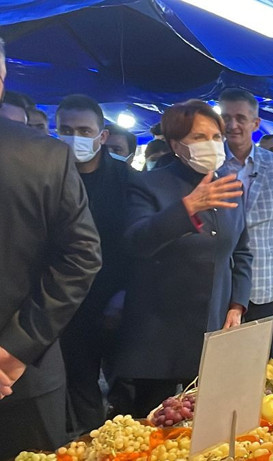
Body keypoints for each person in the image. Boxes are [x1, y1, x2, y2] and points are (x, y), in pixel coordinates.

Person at [114, 100, 252, 416]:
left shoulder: (229, 184)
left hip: (213, 323)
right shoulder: (148, 183)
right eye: (199, 138)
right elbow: (136, 242)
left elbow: (242, 250)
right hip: (160, 331)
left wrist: (237, 304)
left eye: (216, 137)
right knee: (155, 422)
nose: (212, 145)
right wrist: (187, 207)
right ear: (177, 144)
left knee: (205, 419)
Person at [0, 48, 102, 456]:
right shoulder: (43, 155)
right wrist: (16, 347)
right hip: (24, 371)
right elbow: (82, 256)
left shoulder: (44, 155)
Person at [55, 95, 131, 434]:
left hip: (119, 298)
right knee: (80, 382)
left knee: (125, 387)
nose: (75, 138)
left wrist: (126, 293)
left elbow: (140, 243)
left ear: (101, 136)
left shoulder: (127, 179)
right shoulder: (50, 176)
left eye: (84, 130)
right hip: (68, 303)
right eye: (66, 130)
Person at [218, 89, 273, 357]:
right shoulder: (211, 164)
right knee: (225, 361)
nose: (233, 125)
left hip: (267, 281)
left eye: (240, 118)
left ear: (255, 124)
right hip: (221, 282)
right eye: (226, 117)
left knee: (267, 361)